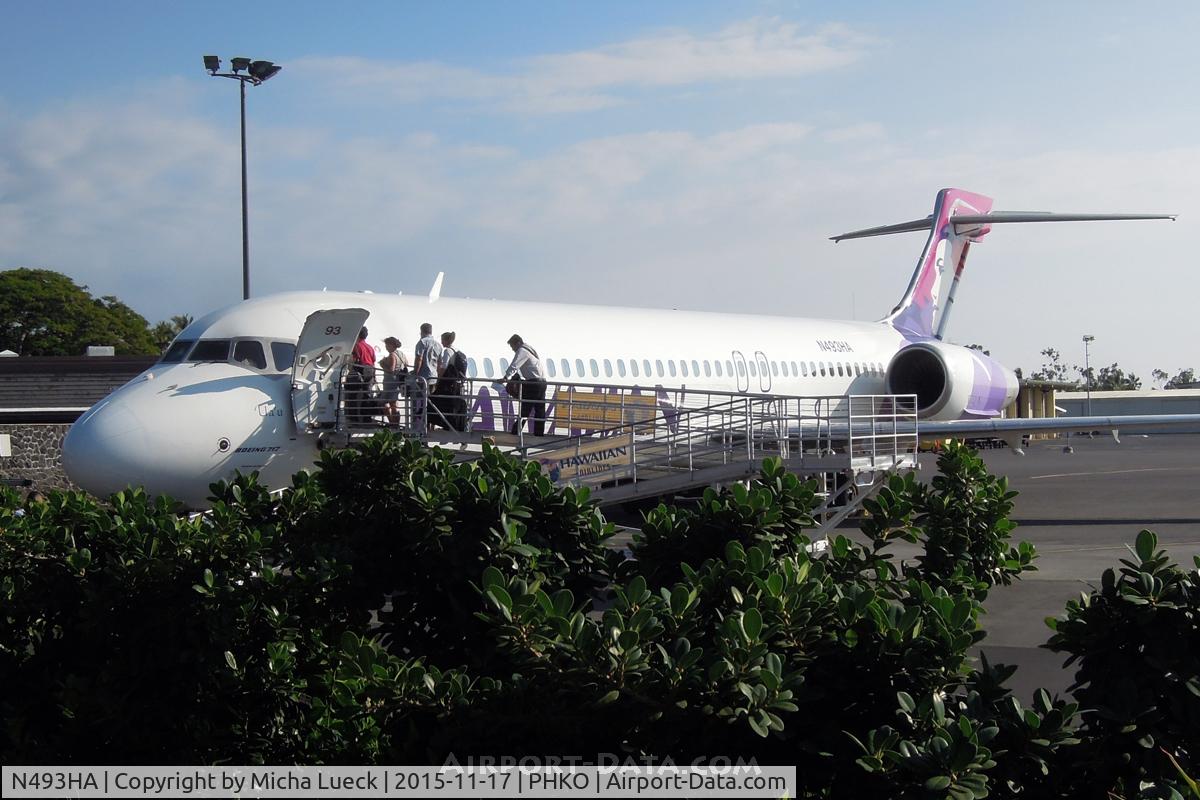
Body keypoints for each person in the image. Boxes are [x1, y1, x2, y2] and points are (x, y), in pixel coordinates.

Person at [502, 334, 547, 436]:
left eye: (513, 347)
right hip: (542, 382)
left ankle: (515, 431)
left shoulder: (522, 351)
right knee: (540, 410)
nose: (513, 350)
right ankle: (539, 433)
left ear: (518, 343)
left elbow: (515, 365)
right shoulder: (530, 350)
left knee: (525, 408)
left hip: (533, 383)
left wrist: (506, 377)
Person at [431, 332, 468, 431]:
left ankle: (442, 424)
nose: (441, 342)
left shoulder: (447, 351)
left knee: (435, 401)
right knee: (451, 404)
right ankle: (452, 424)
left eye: (442, 340)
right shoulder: (456, 350)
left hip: (448, 383)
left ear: (446, 340)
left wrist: (438, 380)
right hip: (455, 383)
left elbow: (444, 366)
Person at [411, 323, 443, 431]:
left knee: (421, 403)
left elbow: (419, 359)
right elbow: (439, 363)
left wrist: (415, 372)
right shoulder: (438, 345)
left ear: (421, 331)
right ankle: (431, 426)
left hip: (423, 378)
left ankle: (422, 426)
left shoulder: (422, 342)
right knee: (431, 402)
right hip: (434, 378)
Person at [348, 327, 377, 425]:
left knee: (353, 393)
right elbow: (373, 361)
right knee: (367, 394)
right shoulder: (370, 347)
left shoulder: (356, 346)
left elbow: (355, 359)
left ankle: (353, 417)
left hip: (361, 368)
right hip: (370, 370)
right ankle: (366, 417)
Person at [379, 336, 407, 425]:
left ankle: (393, 422)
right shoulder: (401, 353)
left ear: (391, 345)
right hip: (397, 382)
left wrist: (382, 364)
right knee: (393, 403)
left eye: (387, 345)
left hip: (390, 382)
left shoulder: (392, 355)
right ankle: (395, 423)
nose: (386, 347)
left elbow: (391, 370)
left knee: (384, 402)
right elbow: (406, 364)